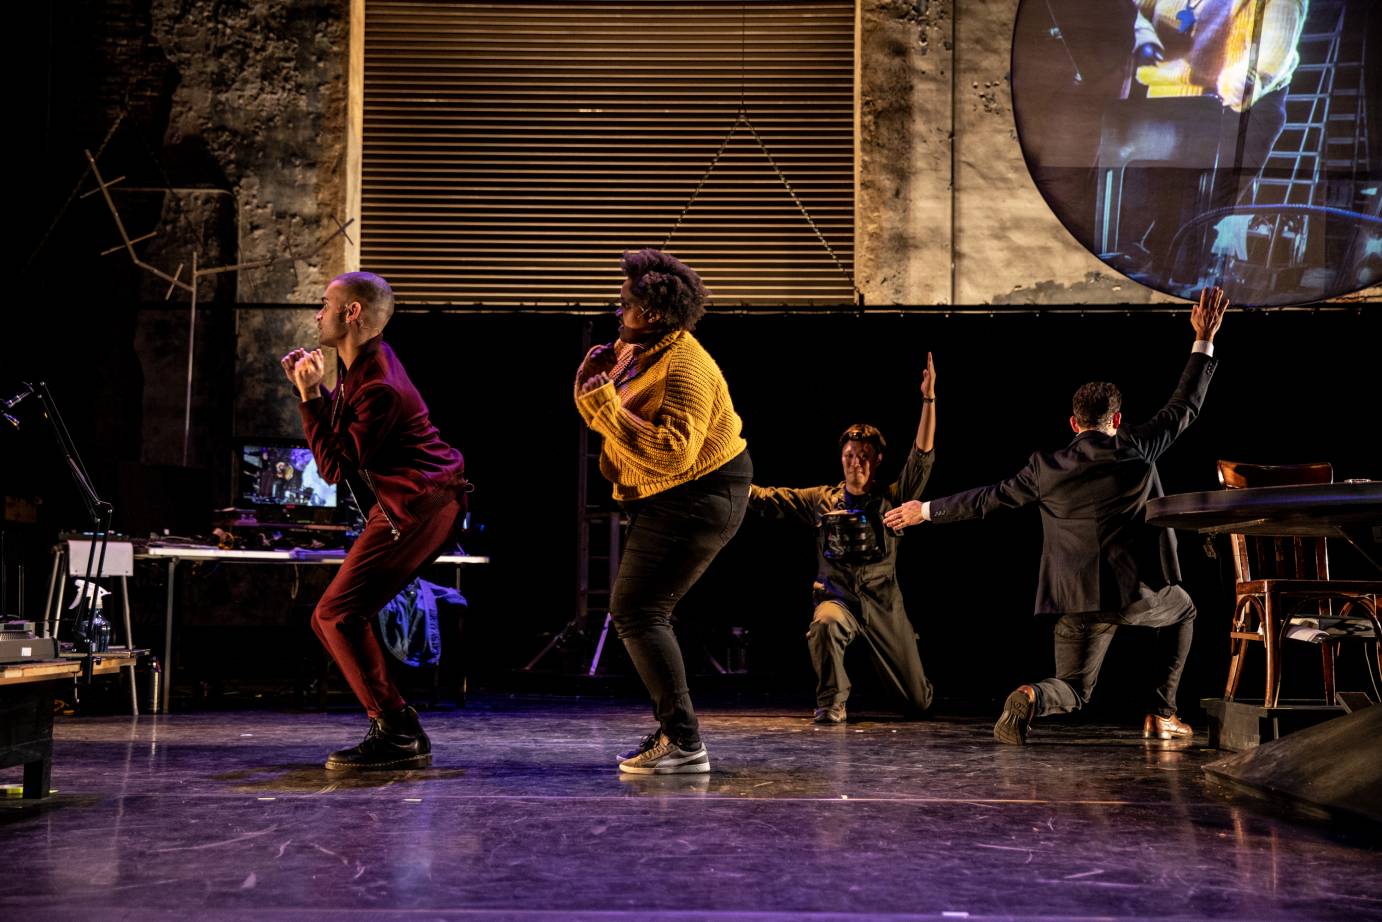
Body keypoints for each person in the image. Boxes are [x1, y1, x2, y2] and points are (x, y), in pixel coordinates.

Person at [890, 287, 1228, 744]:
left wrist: (924, 510)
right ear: (1117, 418)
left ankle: (1031, 695)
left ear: (1073, 423)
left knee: (1072, 688)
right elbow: (1185, 405)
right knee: (1185, 610)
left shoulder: (1044, 469)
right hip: (1134, 595)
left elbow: (987, 499)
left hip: (1073, 599)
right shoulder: (1137, 446)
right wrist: (1203, 338)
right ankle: (1163, 713)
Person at [574, 248, 752, 774]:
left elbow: (672, 451)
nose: (617, 311)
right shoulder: (641, 349)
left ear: (652, 312)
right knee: (639, 611)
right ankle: (677, 733)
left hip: (701, 495)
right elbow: (602, 418)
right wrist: (592, 383)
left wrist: (604, 403)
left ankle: (684, 741)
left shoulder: (684, 366)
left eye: (623, 304)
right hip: (670, 494)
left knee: (637, 611)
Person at [281, 271, 467, 770]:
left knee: (335, 615)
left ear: (352, 312)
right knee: (333, 619)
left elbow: (333, 468)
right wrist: (318, 393)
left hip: (419, 505)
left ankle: (397, 731)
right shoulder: (363, 368)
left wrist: (309, 396)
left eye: (325, 303)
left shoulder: (377, 382)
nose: (318, 313)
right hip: (412, 503)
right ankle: (397, 727)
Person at [748, 355, 938, 724]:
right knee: (825, 624)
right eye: (850, 456)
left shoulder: (891, 498)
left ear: (877, 459)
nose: (856, 462)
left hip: (884, 604)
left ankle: (908, 688)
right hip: (839, 599)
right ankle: (832, 701)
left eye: (864, 456)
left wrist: (928, 400)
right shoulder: (821, 500)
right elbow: (767, 497)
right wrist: (723, 480)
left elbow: (922, 457)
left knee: (918, 704)